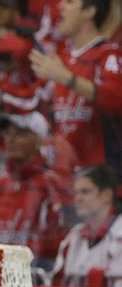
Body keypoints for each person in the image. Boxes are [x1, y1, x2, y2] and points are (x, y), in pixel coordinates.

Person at [29, 0, 122, 178]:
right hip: (65, 178)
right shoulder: (59, 60)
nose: (60, 6)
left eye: (70, 2)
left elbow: (116, 98)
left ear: (90, 11)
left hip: (104, 180)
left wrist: (66, 78)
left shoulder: (109, 54)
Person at [0, 111, 71, 274]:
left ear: (38, 141)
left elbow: (57, 245)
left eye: (20, 134)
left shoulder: (52, 185)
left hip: (37, 276)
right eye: (7, 133)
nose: (11, 140)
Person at [52, 165, 122, 287]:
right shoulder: (73, 238)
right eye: (76, 192)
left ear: (106, 195)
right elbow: (58, 285)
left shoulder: (119, 233)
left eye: (85, 192)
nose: (77, 198)